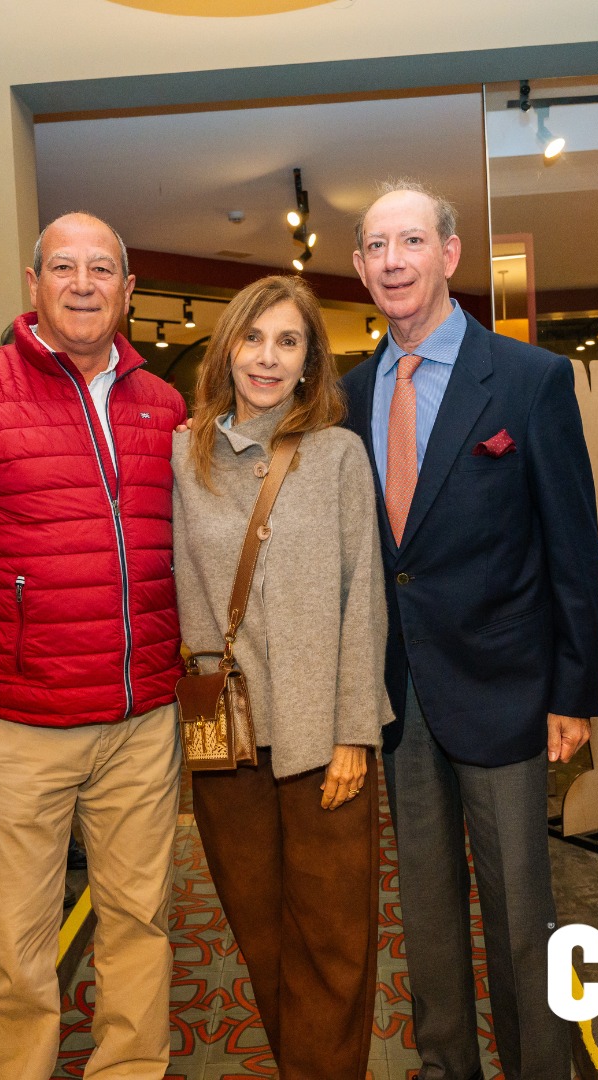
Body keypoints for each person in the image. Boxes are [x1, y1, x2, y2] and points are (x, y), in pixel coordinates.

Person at [0, 211, 188, 1080]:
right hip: (17, 725)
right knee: (15, 945)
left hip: (140, 721)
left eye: (101, 269)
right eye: (64, 267)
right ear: (34, 283)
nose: (82, 284)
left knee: (141, 925)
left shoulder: (164, 405)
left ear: (128, 292)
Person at [341, 180, 598, 1080]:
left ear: (450, 254)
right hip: (401, 695)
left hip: (507, 691)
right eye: (377, 248)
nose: (393, 262)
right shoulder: (347, 394)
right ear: (360, 268)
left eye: (410, 242)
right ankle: (446, 1065)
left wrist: (576, 693)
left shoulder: (530, 381)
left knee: (522, 913)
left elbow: (573, 550)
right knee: (425, 910)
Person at [172, 275, 391, 1079]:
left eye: (288, 341)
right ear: (228, 348)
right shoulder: (181, 452)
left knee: (334, 940)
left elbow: (362, 595)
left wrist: (354, 731)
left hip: (320, 738)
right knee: (258, 932)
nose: (268, 356)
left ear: (309, 363)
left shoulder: (338, 456)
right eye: (254, 337)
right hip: (223, 734)